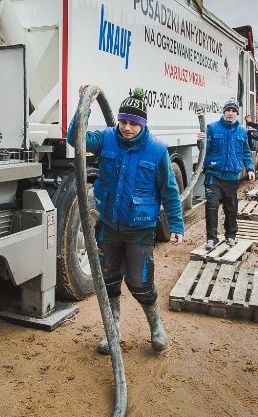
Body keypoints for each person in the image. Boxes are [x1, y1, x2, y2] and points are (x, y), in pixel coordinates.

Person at [68, 86, 184, 354]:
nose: (127, 128)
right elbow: (75, 139)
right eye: (123, 121)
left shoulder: (157, 151)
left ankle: (156, 327)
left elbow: (169, 190)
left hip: (139, 230)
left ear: (143, 124)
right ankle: (113, 331)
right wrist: (84, 105)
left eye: (133, 123)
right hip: (108, 226)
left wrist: (176, 225)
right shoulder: (107, 139)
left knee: (139, 283)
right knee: (108, 281)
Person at [197, 98, 255, 248]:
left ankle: (231, 235)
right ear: (224, 112)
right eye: (228, 110)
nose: (230, 113)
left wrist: (250, 168)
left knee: (231, 208)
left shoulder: (242, 131)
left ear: (237, 113)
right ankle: (212, 238)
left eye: (233, 110)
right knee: (212, 206)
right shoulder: (212, 128)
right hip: (213, 175)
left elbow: (246, 152)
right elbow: (204, 149)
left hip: (232, 176)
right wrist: (200, 141)